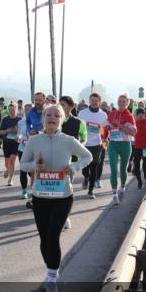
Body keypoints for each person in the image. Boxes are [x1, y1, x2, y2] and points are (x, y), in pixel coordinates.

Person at [19, 104, 92, 292]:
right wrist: (35, 166)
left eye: (56, 115)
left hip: (62, 197)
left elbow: (88, 156)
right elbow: (23, 164)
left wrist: (75, 166)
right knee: (44, 239)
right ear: (43, 119)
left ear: (62, 119)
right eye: (48, 115)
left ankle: (52, 280)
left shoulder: (69, 141)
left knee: (53, 237)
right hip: (41, 197)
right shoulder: (34, 141)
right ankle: (51, 270)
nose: (52, 118)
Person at [58, 96, 86, 229]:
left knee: (66, 188)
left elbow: (84, 139)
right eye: (59, 104)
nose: (60, 106)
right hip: (54, 158)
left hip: (71, 161)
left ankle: (65, 216)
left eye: (63, 104)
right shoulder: (54, 119)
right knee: (56, 188)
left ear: (70, 107)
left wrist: (78, 148)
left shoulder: (79, 123)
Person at [104, 93, 137, 205]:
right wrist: (109, 127)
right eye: (120, 101)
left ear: (127, 104)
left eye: (124, 102)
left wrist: (121, 126)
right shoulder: (112, 113)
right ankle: (114, 194)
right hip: (113, 144)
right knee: (113, 170)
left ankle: (122, 188)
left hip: (125, 144)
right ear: (117, 102)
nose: (121, 103)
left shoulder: (129, 116)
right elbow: (106, 126)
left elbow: (133, 132)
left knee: (123, 169)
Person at [78, 92, 109, 199]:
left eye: (96, 101)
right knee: (85, 167)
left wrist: (106, 134)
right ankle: (86, 177)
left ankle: (91, 190)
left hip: (97, 144)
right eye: (92, 100)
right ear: (89, 101)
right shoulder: (82, 113)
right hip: (84, 143)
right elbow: (78, 127)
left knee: (94, 167)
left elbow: (106, 129)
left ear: (99, 102)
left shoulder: (103, 115)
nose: (94, 102)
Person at [0, 103, 21, 186]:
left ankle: (10, 179)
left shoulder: (20, 120)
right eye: (10, 110)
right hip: (6, 143)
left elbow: (23, 133)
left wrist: (19, 135)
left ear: (16, 110)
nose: (12, 112)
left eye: (13, 110)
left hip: (15, 143)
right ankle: (7, 169)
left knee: (12, 160)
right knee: (7, 163)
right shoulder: (5, 119)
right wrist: (9, 130)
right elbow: (0, 132)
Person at [18, 103, 34, 203]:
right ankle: (24, 190)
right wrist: (18, 137)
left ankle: (35, 191)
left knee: (33, 172)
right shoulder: (20, 122)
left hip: (34, 150)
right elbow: (19, 134)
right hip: (22, 149)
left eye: (30, 109)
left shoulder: (38, 122)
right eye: (26, 109)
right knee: (23, 170)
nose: (27, 111)